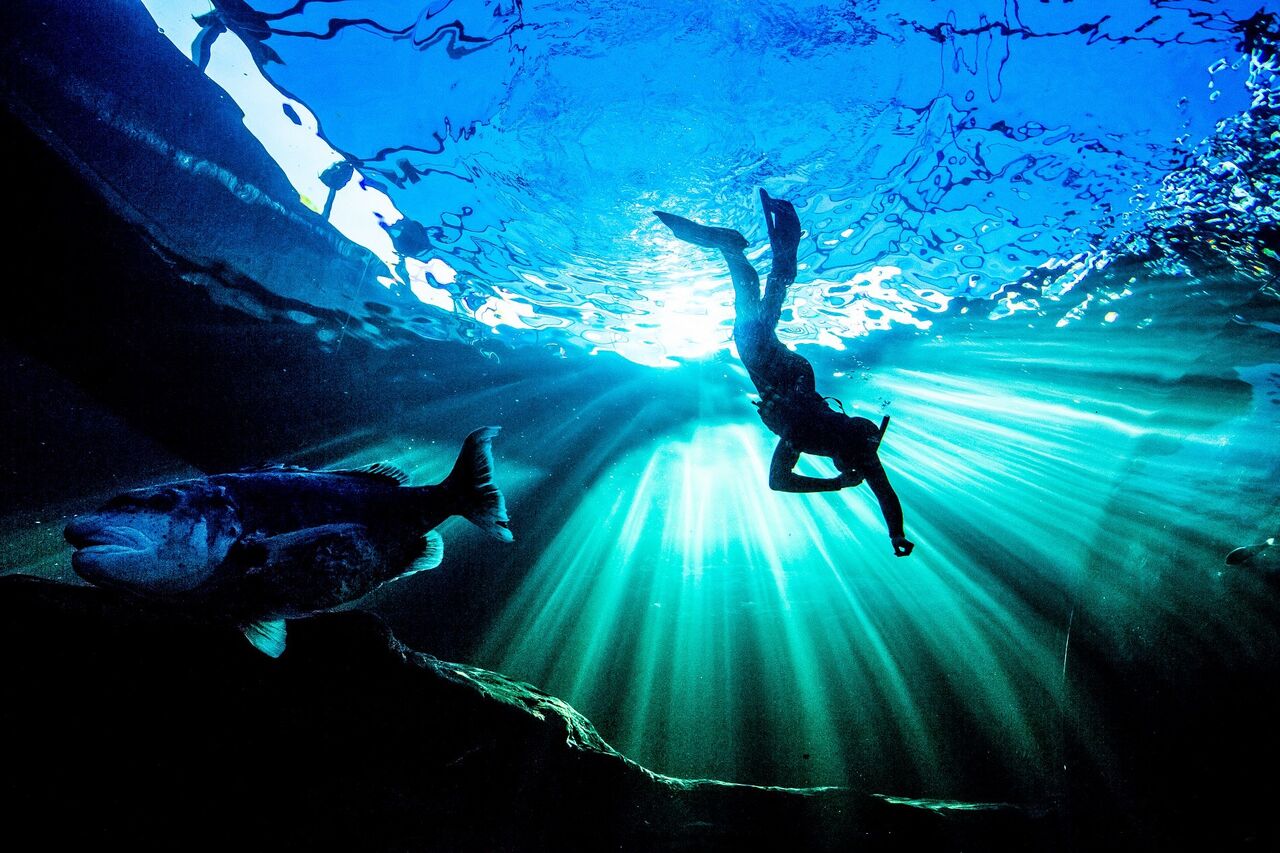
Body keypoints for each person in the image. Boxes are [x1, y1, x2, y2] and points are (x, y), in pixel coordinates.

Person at [655, 190, 914, 557]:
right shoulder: (831, 440)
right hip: (772, 360)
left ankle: (746, 247)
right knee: (764, 301)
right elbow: (879, 492)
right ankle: (740, 244)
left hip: (774, 360)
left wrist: (849, 496)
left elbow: (784, 481)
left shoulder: (818, 438)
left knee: (760, 294)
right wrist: (884, 525)